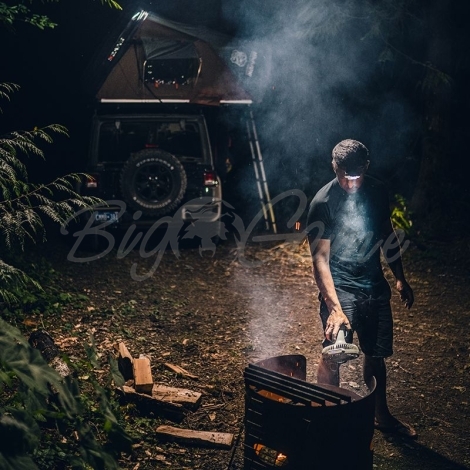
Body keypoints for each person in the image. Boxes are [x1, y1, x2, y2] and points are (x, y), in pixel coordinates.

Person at [306, 139, 417, 438]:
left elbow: (386, 235)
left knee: (376, 354)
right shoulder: (322, 203)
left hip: (372, 285)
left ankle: (381, 415)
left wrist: (399, 277)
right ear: (335, 168)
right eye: (344, 176)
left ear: (366, 168)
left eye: (356, 177)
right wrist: (335, 308)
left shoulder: (378, 191)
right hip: (339, 287)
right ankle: (327, 416)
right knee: (334, 351)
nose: (350, 183)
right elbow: (320, 260)